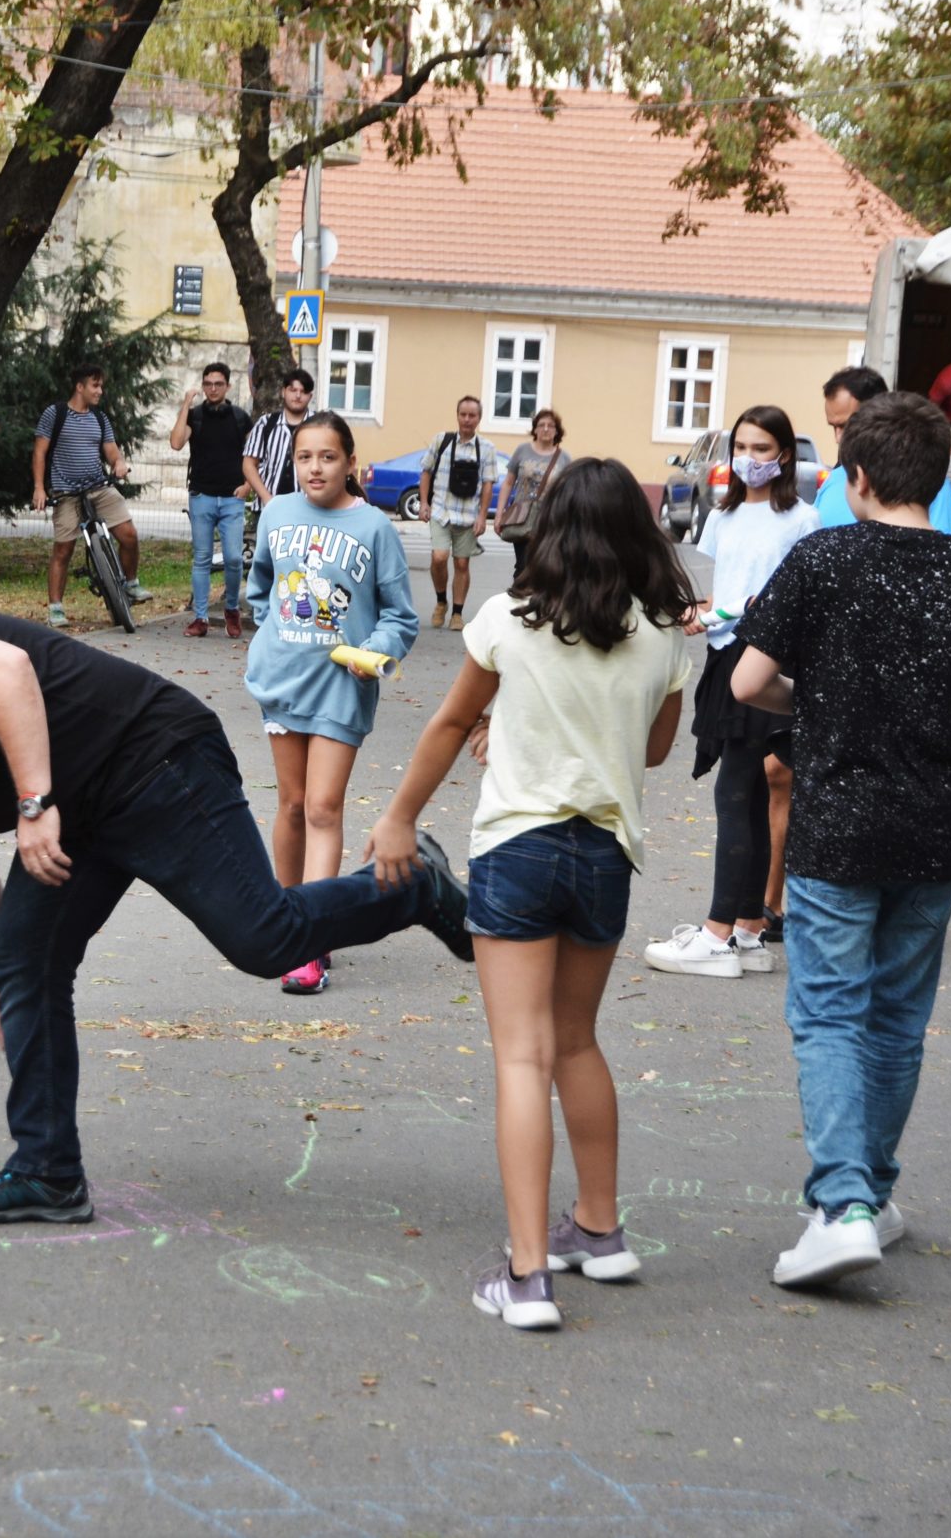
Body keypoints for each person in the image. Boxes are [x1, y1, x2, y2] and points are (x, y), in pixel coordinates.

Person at [0, 617, 474, 1227]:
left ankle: (411, 887)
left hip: (151, 758)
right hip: (83, 808)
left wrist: (34, 803)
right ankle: (47, 1171)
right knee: (28, 961)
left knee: (263, 936)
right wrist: (5, 984)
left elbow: (4, 668)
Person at [367, 459, 696, 1332]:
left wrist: (400, 816)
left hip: (518, 845)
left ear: (550, 527)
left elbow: (445, 721)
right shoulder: (664, 633)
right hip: (605, 854)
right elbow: (655, 749)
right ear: (638, 531)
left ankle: (523, 1275)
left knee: (521, 1055)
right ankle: (598, 1226)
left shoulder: (507, 620)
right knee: (577, 1042)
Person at [728, 392, 951, 1288]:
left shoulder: (820, 558)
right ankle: (875, 1190)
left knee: (827, 1012)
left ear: (855, 478)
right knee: (897, 1022)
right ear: (940, 473)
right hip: (934, 827)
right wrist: (941, 723)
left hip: (835, 823)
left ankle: (841, 1205)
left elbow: (751, 682)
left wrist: (822, 703)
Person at [243, 411, 420, 994]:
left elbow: (401, 615)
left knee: (322, 808)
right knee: (291, 805)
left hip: (342, 687)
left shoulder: (373, 527)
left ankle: (312, 940)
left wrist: (370, 652)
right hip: (283, 682)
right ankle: (287, 919)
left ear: (350, 463)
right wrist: (272, 633)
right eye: (304, 457)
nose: (315, 467)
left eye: (327, 457)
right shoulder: (276, 513)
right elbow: (260, 588)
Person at [646, 406, 817, 980]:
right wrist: (697, 612)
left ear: (785, 455)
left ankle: (718, 932)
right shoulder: (721, 516)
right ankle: (747, 927)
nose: (750, 458)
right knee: (743, 794)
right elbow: (716, 586)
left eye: (763, 448)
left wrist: (740, 612)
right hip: (725, 658)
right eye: (742, 446)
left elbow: (792, 601)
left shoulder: (803, 520)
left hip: (770, 663)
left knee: (736, 793)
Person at [31, 362, 148, 628]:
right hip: (66, 492)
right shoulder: (55, 414)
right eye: (95, 385)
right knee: (63, 549)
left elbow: (111, 451)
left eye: (101, 385)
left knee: (129, 535)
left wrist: (118, 463)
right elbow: (39, 452)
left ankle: (131, 583)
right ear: (80, 386)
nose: (100, 391)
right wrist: (39, 487)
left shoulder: (99, 418)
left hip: (99, 487)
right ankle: (56, 608)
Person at [813, 367, 951, 539]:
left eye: (846, 425)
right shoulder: (833, 480)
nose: (838, 438)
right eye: (833, 427)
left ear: (881, 414)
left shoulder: (927, 482)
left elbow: (943, 555)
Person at [169, 362, 252, 639]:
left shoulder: (240, 417)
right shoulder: (196, 416)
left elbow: (254, 457)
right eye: (207, 384)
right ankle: (201, 617)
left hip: (232, 498)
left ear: (227, 386)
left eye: (218, 384)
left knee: (233, 558)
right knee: (202, 558)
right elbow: (176, 442)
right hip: (202, 495)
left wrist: (248, 485)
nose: (212, 389)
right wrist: (185, 405)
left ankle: (231, 609)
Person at [418, 396, 505, 631]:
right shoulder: (441, 441)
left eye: (472, 415)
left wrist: (482, 516)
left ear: (479, 418)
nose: (467, 419)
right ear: (457, 415)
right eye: (463, 414)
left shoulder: (486, 448)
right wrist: (424, 503)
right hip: (440, 511)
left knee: (462, 564)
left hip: (468, 515)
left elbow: (488, 484)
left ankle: (457, 613)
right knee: (439, 557)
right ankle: (440, 601)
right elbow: (426, 472)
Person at [495, 409, 570, 581]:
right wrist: (500, 514)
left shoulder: (564, 457)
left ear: (557, 431)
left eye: (550, 426)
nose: (545, 429)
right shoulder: (522, 450)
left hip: (550, 520)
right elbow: (508, 483)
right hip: (522, 517)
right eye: (541, 425)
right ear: (534, 429)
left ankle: (538, 604)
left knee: (546, 565)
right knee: (523, 565)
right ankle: (518, 600)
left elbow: (568, 491)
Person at [241, 367, 315, 507]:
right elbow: (249, 464)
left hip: (309, 508)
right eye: (293, 390)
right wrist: (266, 497)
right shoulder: (266, 423)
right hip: (268, 506)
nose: (298, 396)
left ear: (310, 396)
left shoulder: (319, 425)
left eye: (303, 391)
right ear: (283, 392)